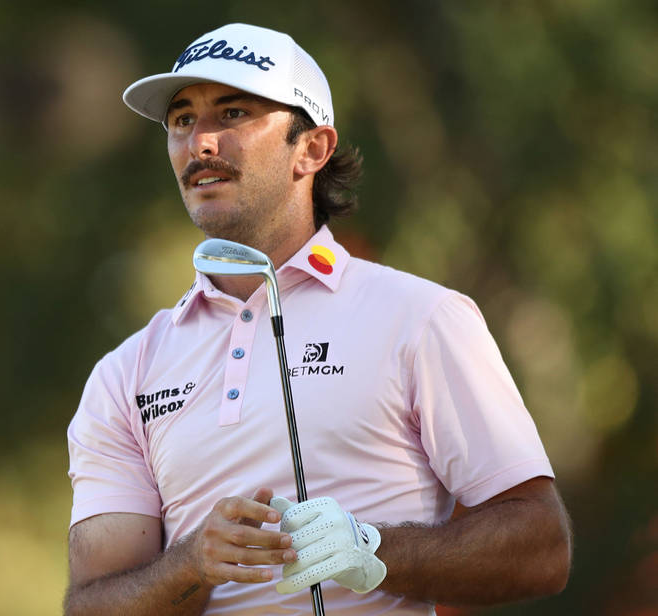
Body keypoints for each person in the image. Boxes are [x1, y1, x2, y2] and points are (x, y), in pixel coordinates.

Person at [64, 23, 572, 615]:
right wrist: (190, 565)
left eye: (232, 113)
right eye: (181, 120)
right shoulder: (125, 373)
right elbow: (92, 605)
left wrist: (373, 550)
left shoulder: (422, 317)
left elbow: (542, 547)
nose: (200, 143)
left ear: (312, 148)